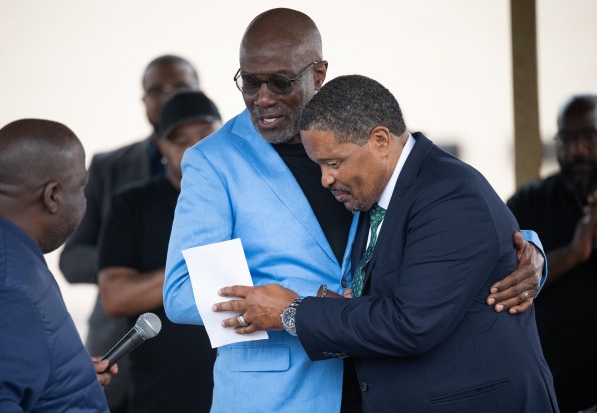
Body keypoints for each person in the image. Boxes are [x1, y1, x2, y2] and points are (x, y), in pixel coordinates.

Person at [163, 8, 545, 413]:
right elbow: (180, 292)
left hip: (381, 379)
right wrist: (299, 306)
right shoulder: (213, 160)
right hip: (282, 395)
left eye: (279, 81)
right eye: (249, 82)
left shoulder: (356, 128)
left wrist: (529, 252)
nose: (263, 98)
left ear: (318, 72)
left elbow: (453, 202)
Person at [59, 54, 200, 412]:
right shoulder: (110, 167)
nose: (168, 96)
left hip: (196, 350)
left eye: (180, 88)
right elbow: (73, 259)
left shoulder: (221, 162)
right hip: (123, 337)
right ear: (143, 100)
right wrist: (124, 256)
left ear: (197, 90)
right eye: (157, 90)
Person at [0, 119, 114, 412]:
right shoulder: (8, 281)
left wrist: (62, 371)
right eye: (81, 187)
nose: (84, 199)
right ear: (52, 196)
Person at [98, 90, 221, 412]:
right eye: (181, 140)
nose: (195, 147)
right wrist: (203, 264)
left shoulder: (247, 196)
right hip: (162, 391)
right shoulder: (132, 203)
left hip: (239, 382)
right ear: (162, 147)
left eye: (205, 135)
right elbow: (116, 298)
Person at [507, 94, 597, 413]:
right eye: (566, 139)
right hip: (550, 394)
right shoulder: (530, 202)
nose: (576, 151)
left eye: (589, 137)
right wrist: (573, 253)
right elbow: (501, 282)